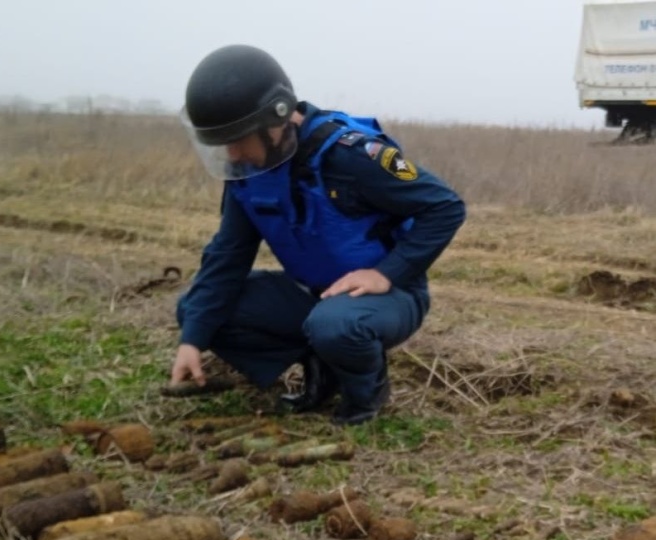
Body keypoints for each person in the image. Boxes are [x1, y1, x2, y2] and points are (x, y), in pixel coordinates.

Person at [170, 44, 466, 426]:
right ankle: (318, 362)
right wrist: (192, 339)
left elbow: (444, 207)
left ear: (275, 118)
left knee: (335, 325)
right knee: (197, 309)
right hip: (313, 295)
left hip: (390, 295)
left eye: (238, 138)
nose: (233, 153)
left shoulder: (350, 155)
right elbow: (228, 255)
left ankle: (365, 396)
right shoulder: (248, 172)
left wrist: (386, 274)